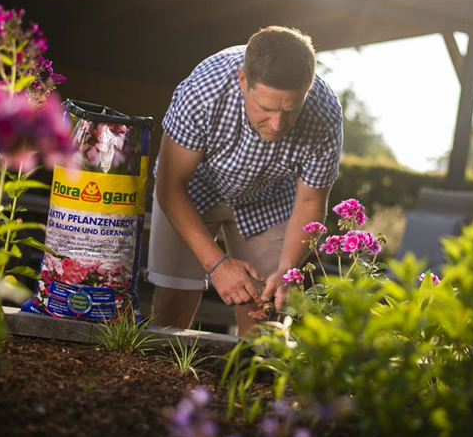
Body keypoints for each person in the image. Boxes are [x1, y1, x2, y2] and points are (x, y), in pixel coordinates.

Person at [144, 26, 343, 335]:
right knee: (173, 304)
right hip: (193, 189)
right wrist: (217, 265)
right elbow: (170, 187)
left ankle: (248, 378)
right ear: (242, 81)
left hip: (270, 199)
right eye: (265, 108)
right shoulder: (202, 91)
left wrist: (288, 270)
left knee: (266, 318)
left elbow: (310, 202)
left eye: (290, 110)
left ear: (308, 88)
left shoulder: (325, 114)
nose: (277, 125)